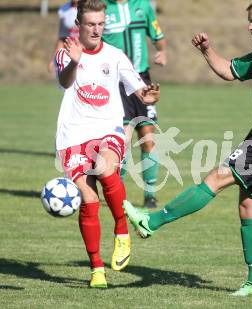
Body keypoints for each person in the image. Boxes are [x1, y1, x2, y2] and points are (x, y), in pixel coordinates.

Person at [124, 0, 252, 296]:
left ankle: (151, 221)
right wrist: (207, 50)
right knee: (249, 207)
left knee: (217, 177)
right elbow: (230, 71)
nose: (249, 26)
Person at [53, 0, 160, 288]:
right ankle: (96, 269)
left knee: (104, 166)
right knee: (88, 201)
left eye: (101, 23)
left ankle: (122, 232)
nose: (97, 29)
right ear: (79, 24)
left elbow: (137, 87)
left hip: (107, 129)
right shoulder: (67, 51)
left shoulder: (115, 55)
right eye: (91, 24)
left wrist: (146, 95)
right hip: (73, 135)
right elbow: (64, 82)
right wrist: (75, 61)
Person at [102, 0, 167, 209]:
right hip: (116, 83)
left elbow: (158, 35)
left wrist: (161, 51)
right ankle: (118, 195)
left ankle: (150, 195)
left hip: (142, 79)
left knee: (148, 138)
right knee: (122, 142)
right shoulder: (103, 8)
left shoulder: (143, 6)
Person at [48, 0, 80, 73]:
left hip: (86, 53)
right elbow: (62, 38)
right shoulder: (64, 10)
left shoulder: (90, 7)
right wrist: (54, 59)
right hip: (70, 54)